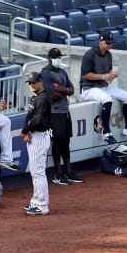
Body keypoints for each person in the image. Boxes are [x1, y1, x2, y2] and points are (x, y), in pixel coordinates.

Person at [80, 30, 127, 144]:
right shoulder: (90, 54)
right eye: (107, 43)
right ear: (101, 41)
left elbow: (107, 72)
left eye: (111, 43)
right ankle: (106, 133)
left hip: (102, 86)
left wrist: (111, 75)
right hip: (88, 88)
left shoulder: (109, 55)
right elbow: (85, 74)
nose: (110, 45)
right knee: (107, 99)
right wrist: (105, 76)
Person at [41, 48, 84, 185]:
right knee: (58, 142)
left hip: (65, 111)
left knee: (66, 141)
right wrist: (64, 92)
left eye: (59, 57)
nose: (58, 59)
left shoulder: (63, 72)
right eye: (56, 57)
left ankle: (68, 172)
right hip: (54, 113)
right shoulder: (46, 73)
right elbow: (51, 95)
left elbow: (72, 90)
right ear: (49, 58)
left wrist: (63, 90)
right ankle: (58, 174)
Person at [21, 72, 52, 215]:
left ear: (41, 82)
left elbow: (38, 120)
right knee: (35, 171)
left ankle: (42, 205)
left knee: (38, 171)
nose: (31, 85)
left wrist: (26, 129)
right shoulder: (36, 97)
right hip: (34, 135)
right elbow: (29, 116)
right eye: (30, 83)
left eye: (34, 82)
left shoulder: (44, 99)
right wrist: (25, 131)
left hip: (39, 137)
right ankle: (36, 201)